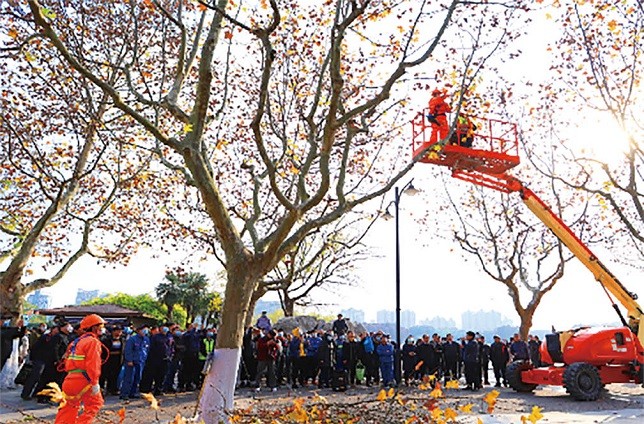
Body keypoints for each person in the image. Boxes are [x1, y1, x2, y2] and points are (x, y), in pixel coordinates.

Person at [54, 314, 106, 424]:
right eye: (100, 326)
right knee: (95, 404)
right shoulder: (93, 342)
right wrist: (95, 382)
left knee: (68, 407)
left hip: (69, 379)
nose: (102, 328)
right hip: (83, 380)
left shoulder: (75, 342)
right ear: (94, 327)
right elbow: (93, 364)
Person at [120, 324, 150, 401]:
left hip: (141, 362)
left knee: (137, 378)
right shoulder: (132, 339)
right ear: (138, 330)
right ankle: (124, 394)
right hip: (132, 362)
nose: (145, 331)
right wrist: (129, 360)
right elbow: (128, 350)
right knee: (129, 378)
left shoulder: (146, 339)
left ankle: (132, 393)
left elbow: (146, 350)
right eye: (143, 330)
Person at [100, 325, 124, 396]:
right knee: (104, 375)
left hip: (118, 360)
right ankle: (102, 389)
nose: (119, 333)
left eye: (120, 331)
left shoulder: (122, 340)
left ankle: (112, 389)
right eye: (118, 331)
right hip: (108, 360)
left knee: (115, 375)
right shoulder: (106, 340)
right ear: (113, 332)